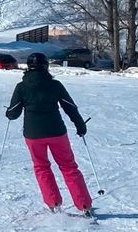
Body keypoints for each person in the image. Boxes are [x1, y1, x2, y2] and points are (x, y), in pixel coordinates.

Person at [6, 52, 93, 217]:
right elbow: (69, 106)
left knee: (41, 167)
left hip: (33, 134)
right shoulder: (55, 85)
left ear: (28, 68)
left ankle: (53, 203)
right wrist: (80, 125)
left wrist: (9, 113)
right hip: (56, 132)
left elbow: (13, 113)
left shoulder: (22, 87)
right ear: (46, 67)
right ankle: (84, 205)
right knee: (68, 167)